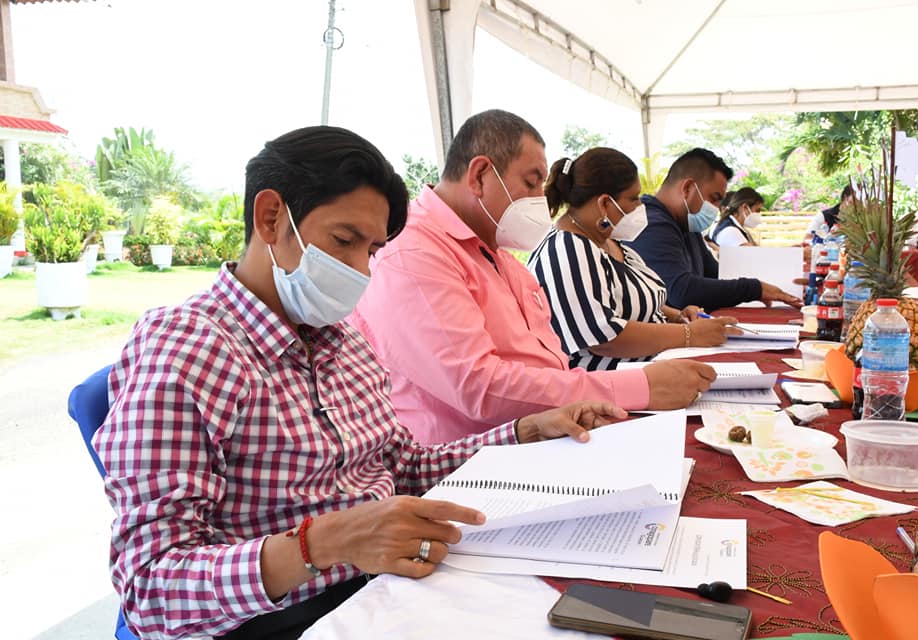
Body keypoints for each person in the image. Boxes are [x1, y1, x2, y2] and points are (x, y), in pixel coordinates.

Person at [93, 126, 629, 640]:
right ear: (271, 217)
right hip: (283, 616)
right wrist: (319, 544)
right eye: (344, 240)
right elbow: (150, 591)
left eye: (371, 251)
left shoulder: (342, 340)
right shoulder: (189, 349)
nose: (361, 272)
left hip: (386, 588)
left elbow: (402, 467)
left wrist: (524, 432)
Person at [350, 110, 716, 445]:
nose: (541, 199)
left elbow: (545, 362)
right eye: (531, 183)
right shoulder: (414, 254)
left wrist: (586, 404)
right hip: (471, 466)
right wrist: (637, 386)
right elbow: (478, 386)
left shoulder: (496, 255)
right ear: (479, 175)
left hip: (544, 436)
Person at [527, 147, 739, 371]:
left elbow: (635, 300)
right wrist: (688, 334)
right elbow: (604, 338)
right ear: (605, 203)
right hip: (608, 386)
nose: (641, 207)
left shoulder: (611, 243)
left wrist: (679, 316)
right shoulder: (566, 249)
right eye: (634, 198)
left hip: (653, 373)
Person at [626, 148, 802, 312]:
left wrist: (778, 278)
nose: (716, 209)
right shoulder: (651, 224)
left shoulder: (687, 225)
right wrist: (754, 289)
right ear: (687, 188)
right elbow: (680, 292)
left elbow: (717, 274)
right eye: (714, 198)